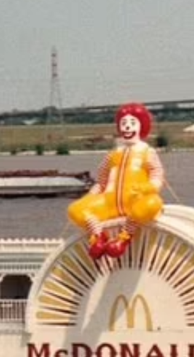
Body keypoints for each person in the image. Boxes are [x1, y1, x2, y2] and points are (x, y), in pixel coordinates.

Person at [67, 102, 166, 260]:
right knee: (75, 209)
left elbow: (157, 176)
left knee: (153, 203)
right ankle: (98, 236)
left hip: (135, 201)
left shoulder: (147, 152)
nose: (127, 127)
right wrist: (90, 196)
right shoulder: (112, 155)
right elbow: (101, 182)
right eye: (124, 123)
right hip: (108, 203)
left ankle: (125, 236)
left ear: (141, 126)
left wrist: (146, 188)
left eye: (132, 123)